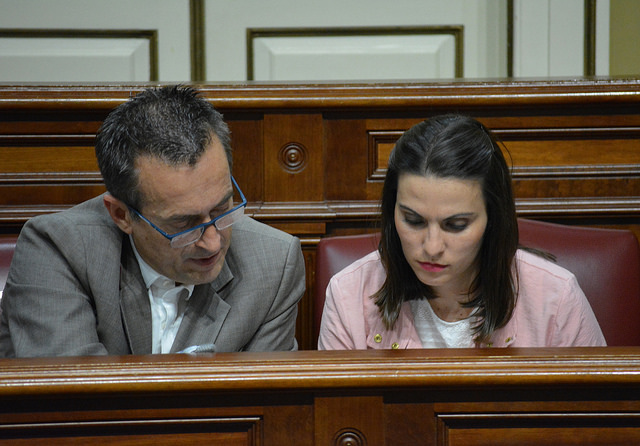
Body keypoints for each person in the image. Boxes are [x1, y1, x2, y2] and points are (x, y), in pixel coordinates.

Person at [0, 85, 306, 357]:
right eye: (184, 223)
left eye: (221, 208)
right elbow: (75, 396)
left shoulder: (274, 264)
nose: (212, 242)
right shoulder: (57, 249)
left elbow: (262, 400)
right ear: (121, 215)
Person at [318, 114, 605, 350]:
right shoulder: (350, 294)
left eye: (455, 225)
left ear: (492, 218)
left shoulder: (556, 298)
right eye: (413, 221)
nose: (432, 247)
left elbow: (595, 403)